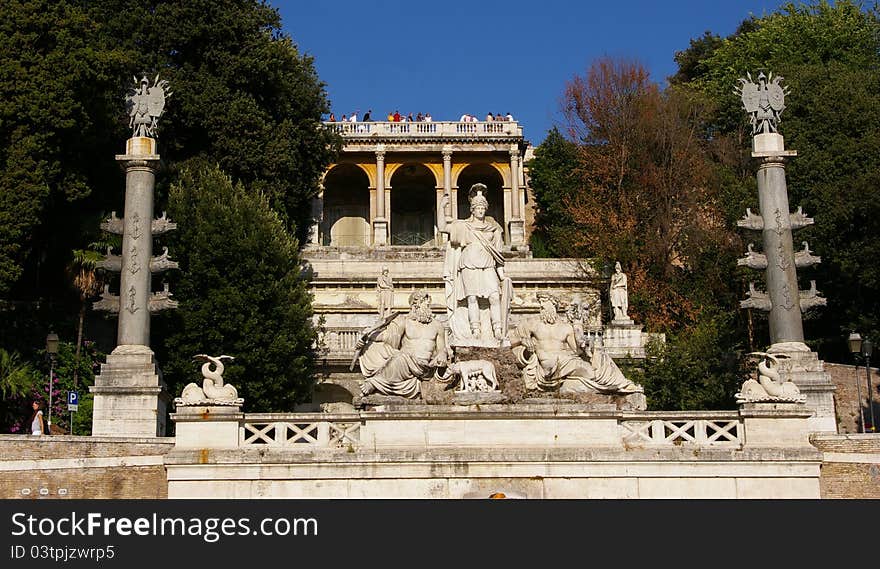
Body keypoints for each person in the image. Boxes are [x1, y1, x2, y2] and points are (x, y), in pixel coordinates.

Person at [511, 293, 643, 394]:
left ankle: (621, 384)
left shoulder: (566, 327)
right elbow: (509, 341)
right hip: (546, 365)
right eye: (540, 303)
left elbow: (577, 351)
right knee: (589, 372)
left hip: (566, 362)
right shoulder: (532, 323)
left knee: (597, 362)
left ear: (553, 306)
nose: (541, 306)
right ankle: (617, 384)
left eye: (544, 303)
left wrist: (587, 346)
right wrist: (523, 341)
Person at [439, 183, 510, 343]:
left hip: (488, 265)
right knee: (472, 298)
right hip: (469, 265)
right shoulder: (464, 226)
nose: (480, 211)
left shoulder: (494, 230)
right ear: (472, 209)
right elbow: (443, 227)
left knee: (494, 297)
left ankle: (497, 330)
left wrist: (503, 276)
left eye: (483, 208)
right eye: (478, 208)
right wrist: (441, 207)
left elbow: (498, 257)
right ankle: (475, 331)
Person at [355, 290, 450, 398]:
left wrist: (443, 354)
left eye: (428, 303)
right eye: (423, 302)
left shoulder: (437, 326)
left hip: (423, 367)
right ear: (414, 306)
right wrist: (367, 336)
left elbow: (442, 348)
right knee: (394, 356)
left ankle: (374, 383)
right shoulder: (404, 322)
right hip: (404, 360)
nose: (427, 305)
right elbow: (387, 337)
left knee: (399, 358)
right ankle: (376, 382)